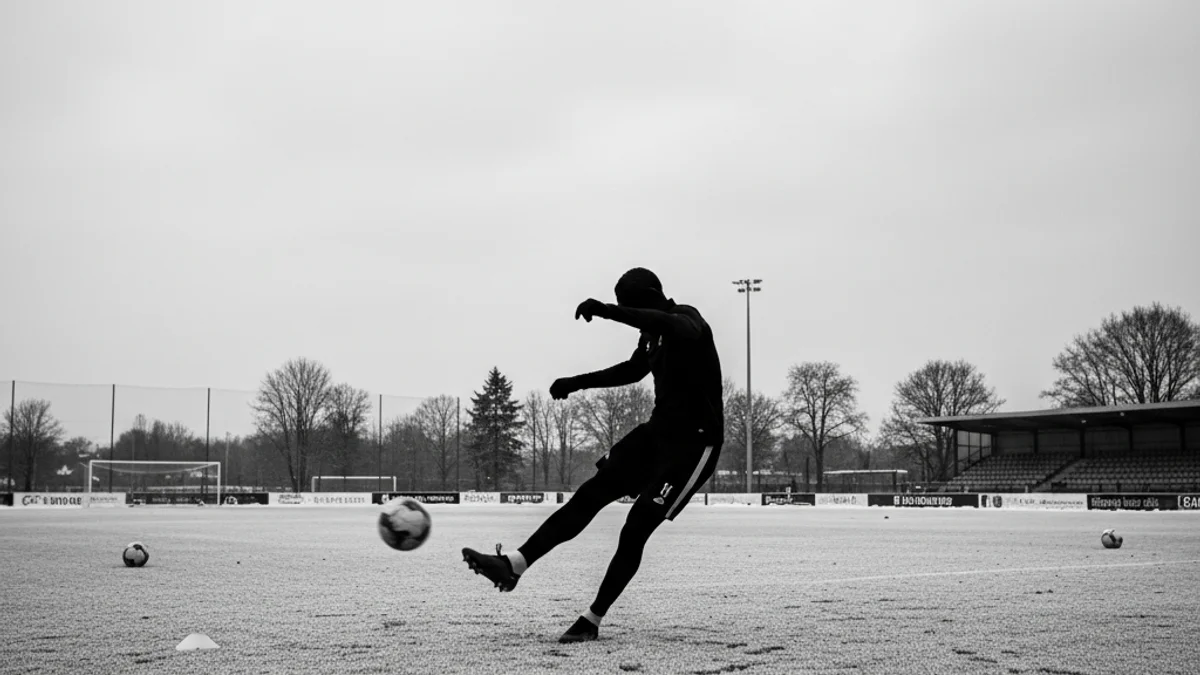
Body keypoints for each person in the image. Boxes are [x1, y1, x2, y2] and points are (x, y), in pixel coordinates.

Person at [462, 267, 724, 643]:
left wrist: (606, 311)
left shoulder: (687, 319)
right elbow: (633, 371)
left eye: (628, 308)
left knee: (635, 528)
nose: (628, 316)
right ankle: (512, 566)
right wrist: (577, 382)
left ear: (646, 300)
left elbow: (671, 324)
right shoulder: (651, 337)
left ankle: (592, 619)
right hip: (656, 435)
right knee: (590, 494)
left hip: (694, 445)